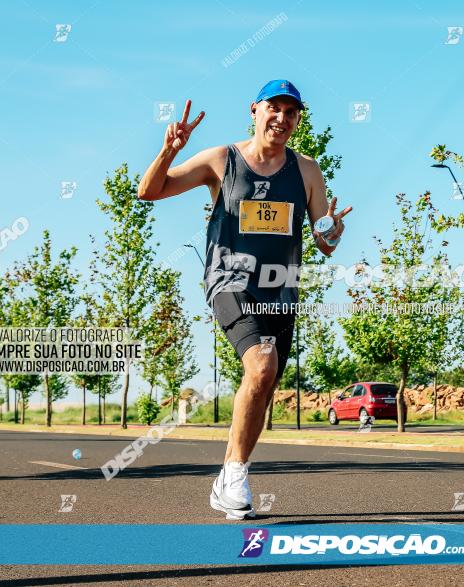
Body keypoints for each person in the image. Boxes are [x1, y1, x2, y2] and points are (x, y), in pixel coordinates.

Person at [138, 80, 352, 519]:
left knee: (262, 383)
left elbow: (324, 239)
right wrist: (170, 151)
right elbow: (149, 192)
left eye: (291, 112)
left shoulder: (307, 170)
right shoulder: (222, 160)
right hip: (229, 282)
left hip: (281, 289)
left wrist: (331, 231)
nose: (282, 118)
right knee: (262, 364)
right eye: (274, 108)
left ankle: (229, 473)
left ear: (297, 121)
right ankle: (235, 473)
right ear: (253, 110)